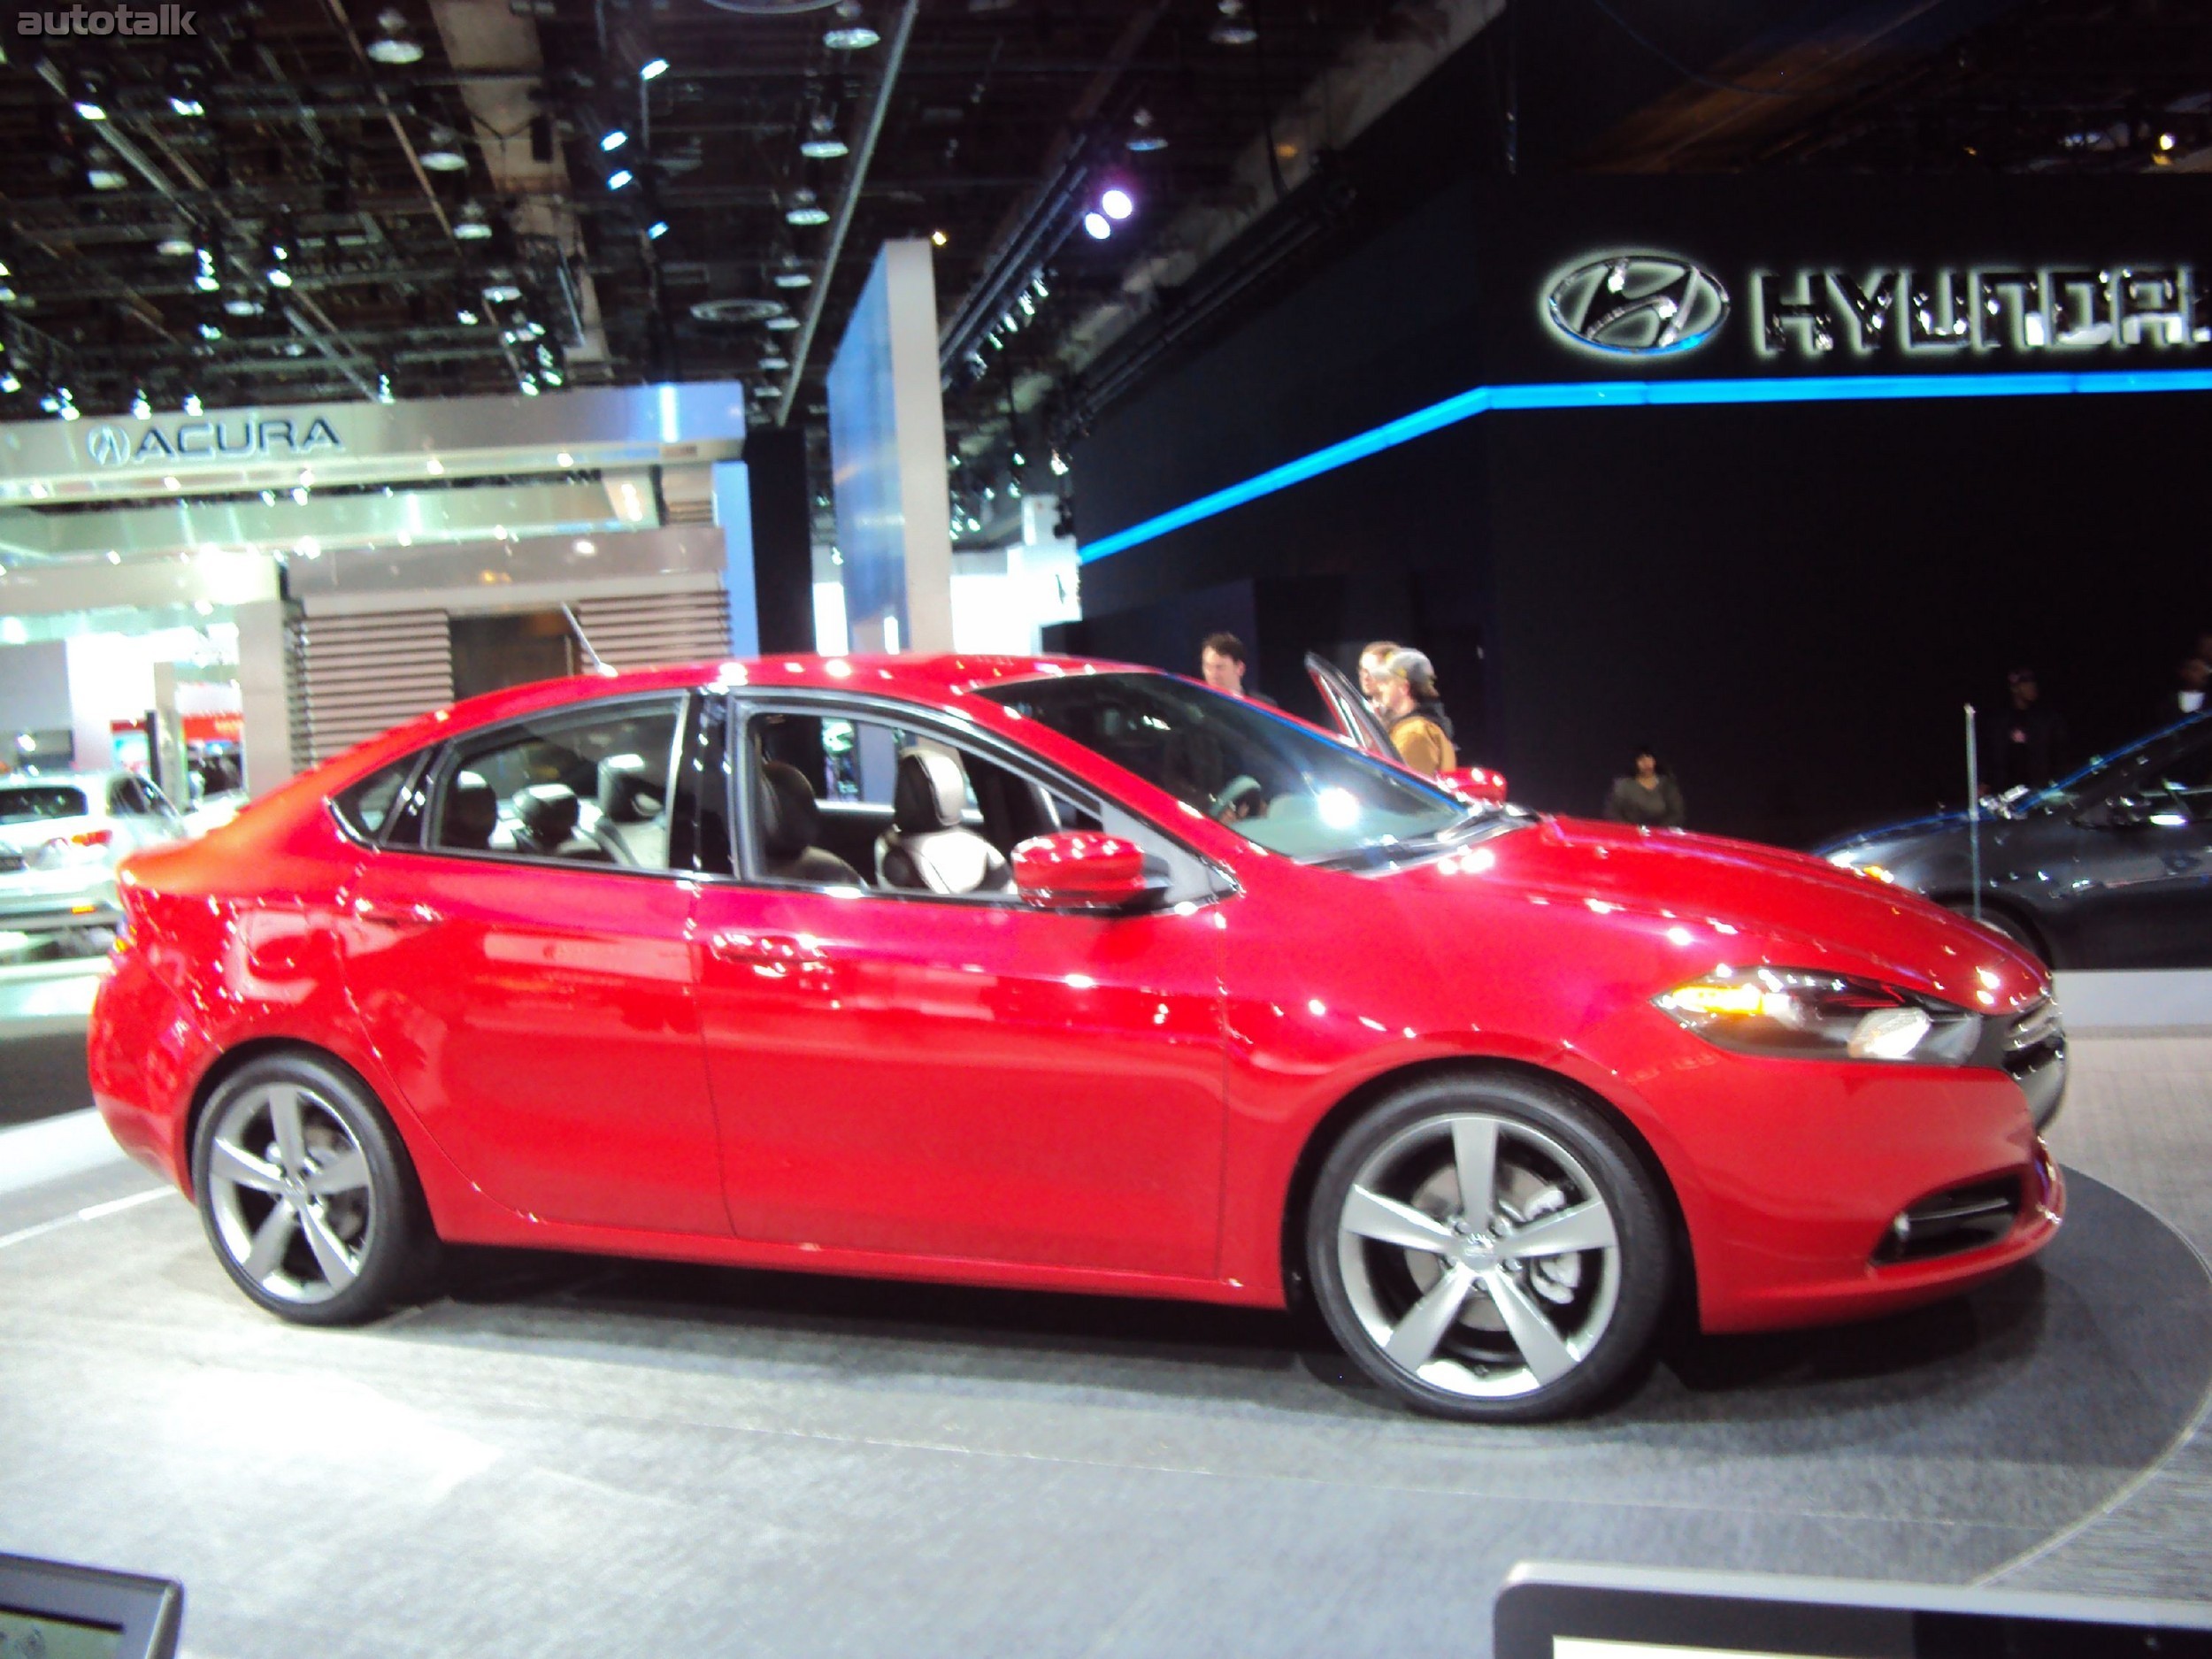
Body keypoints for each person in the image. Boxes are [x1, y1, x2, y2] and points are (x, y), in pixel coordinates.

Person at [1371, 649, 1455, 776]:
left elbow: (1401, 787)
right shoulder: (1410, 727)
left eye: (1387, 682)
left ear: (1404, 688)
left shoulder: (1415, 733)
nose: (1381, 687)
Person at [1360, 639, 1453, 739]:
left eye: (1385, 679)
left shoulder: (1418, 728)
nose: (1365, 676)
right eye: (1362, 670)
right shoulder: (1359, 710)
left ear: (1404, 686)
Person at [1991, 667, 2064, 792]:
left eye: (2033, 682)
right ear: (2014, 688)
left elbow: (2058, 753)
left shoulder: (2047, 718)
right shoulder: (2000, 720)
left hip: (2040, 788)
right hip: (2009, 790)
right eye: (2026, 683)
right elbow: (1995, 756)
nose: (2032, 686)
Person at [1604, 747, 1685, 828]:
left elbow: (1676, 814)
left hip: (1660, 835)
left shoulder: (1667, 785)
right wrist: (1632, 829)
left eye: (1649, 758)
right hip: (1630, 833)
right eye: (1641, 760)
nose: (1646, 763)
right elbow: (1612, 812)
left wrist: (1657, 831)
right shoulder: (1623, 785)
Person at [1199, 633, 1275, 705]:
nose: (1213, 674)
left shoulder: (1263, 706)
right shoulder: (1195, 704)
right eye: (1208, 667)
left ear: (1240, 669)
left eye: (1220, 667)